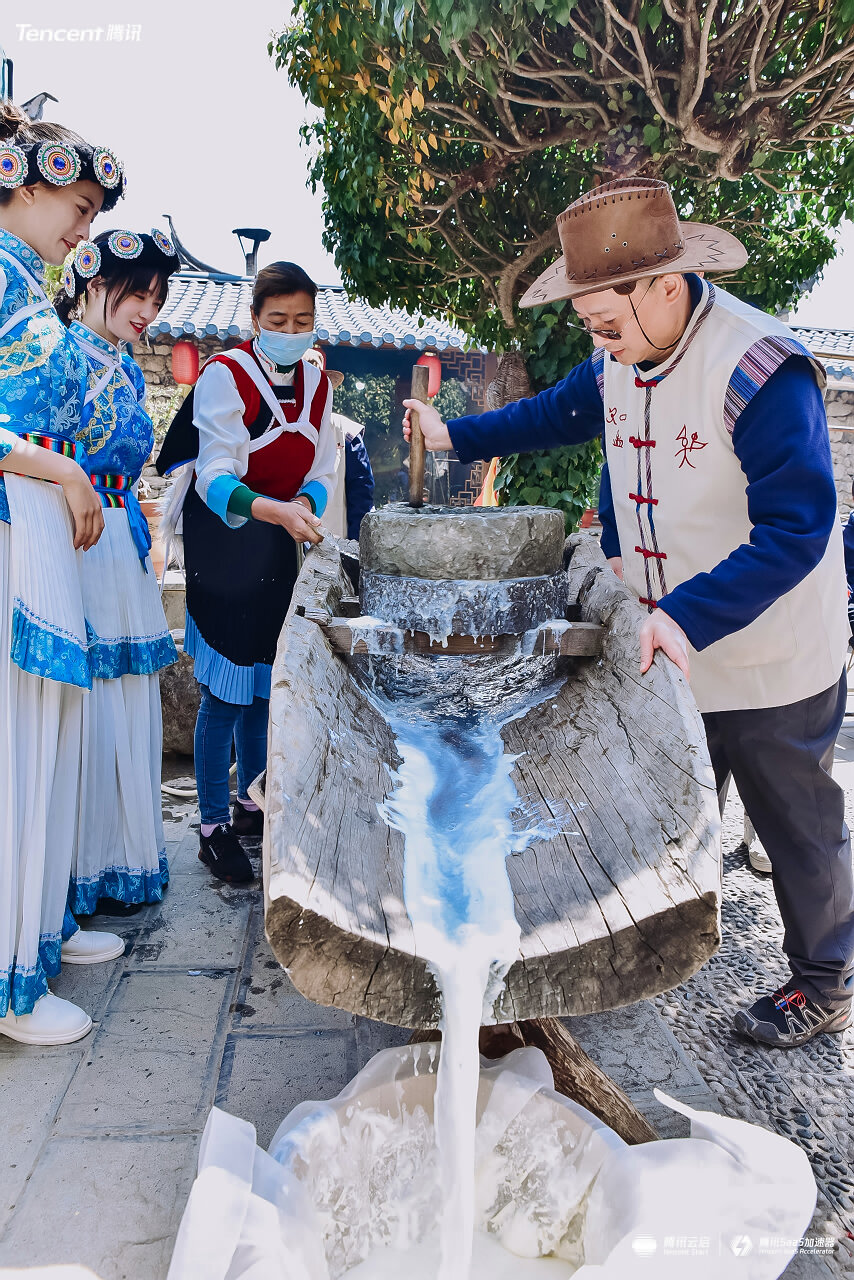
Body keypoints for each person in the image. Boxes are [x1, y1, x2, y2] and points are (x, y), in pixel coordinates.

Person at [404, 177, 853, 1050]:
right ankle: (626, 958)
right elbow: (558, 415)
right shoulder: (620, 353)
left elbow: (800, 526)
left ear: (663, 286)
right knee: (662, 807)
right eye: (588, 325)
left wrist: (685, 614)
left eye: (605, 321)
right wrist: (458, 437)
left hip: (767, 652)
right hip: (669, 642)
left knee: (794, 818)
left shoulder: (760, 368)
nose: (597, 341)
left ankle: (826, 977)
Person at [0, 101, 126, 1045]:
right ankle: (13, 975)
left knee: (41, 747)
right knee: (16, 756)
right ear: (24, 180)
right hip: (18, 520)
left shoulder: (19, 282)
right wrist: (63, 467)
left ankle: (39, 932)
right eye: (74, 206)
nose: (82, 228)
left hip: (39, 523)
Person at [156, 261, 336, 885]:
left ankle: (252, 801)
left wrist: (305, 506)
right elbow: (213, 475)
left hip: (276, 546)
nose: (292, 331)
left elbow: (321, 467)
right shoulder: (225, 378)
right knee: (224, 697)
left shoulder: (318, 384)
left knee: (263, 689)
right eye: (278, 320)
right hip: (226, 542)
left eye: (304, 321)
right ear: (255, 320)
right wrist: (272, 510)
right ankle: (210, 826)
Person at [57, 229, 180, 918]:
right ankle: (79, 866)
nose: (148, 310)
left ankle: (123, 859)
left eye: (157, 298)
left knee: (125, 697)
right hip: (73, 537)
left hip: (118, 539)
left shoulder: (129, 367)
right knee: (87, 701)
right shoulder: (61, 355)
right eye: (139, 293)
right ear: (92, 281)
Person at [303, 348, 374, 541]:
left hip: (335, 544)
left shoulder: (347, 433)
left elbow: (361, 498)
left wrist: (355, 549)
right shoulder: (276, 430)